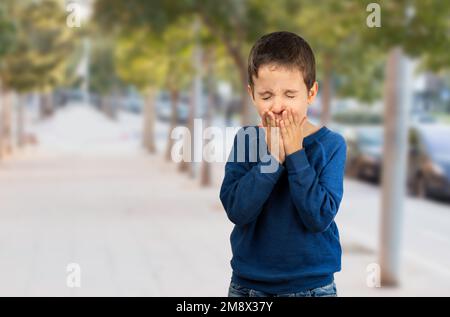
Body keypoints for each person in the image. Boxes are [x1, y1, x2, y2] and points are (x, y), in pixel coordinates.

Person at [220, 31, 347, 297]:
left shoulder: (332, 145)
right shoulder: (247, 140)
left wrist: (295, 153)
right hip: (249, 286)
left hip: (312, 286)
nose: (278, 106)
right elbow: (237, 210)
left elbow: (318, 217)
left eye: (290, 95)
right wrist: (273, 158)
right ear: (251, 94)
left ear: (311, 93)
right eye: (266, 96)